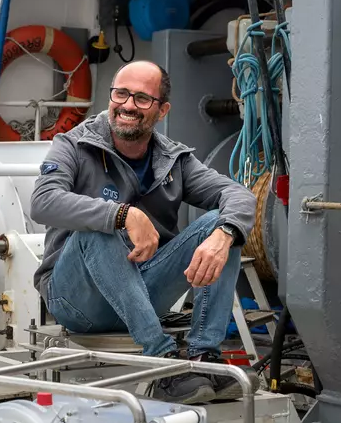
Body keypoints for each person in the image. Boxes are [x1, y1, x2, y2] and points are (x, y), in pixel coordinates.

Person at [31, 60, 257, 403]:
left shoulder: (174, 160)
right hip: (78, 302)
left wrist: (225, 235)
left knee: (221, 225)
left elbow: (238, 195)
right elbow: (43, 202)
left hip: (144, 293)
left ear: (162, 109)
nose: (127, 105)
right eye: (121, 94)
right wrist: (122, 214)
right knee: (98, 229)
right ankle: (162, 362)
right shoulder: (73, 145)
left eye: (141, 98)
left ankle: (202, 358)